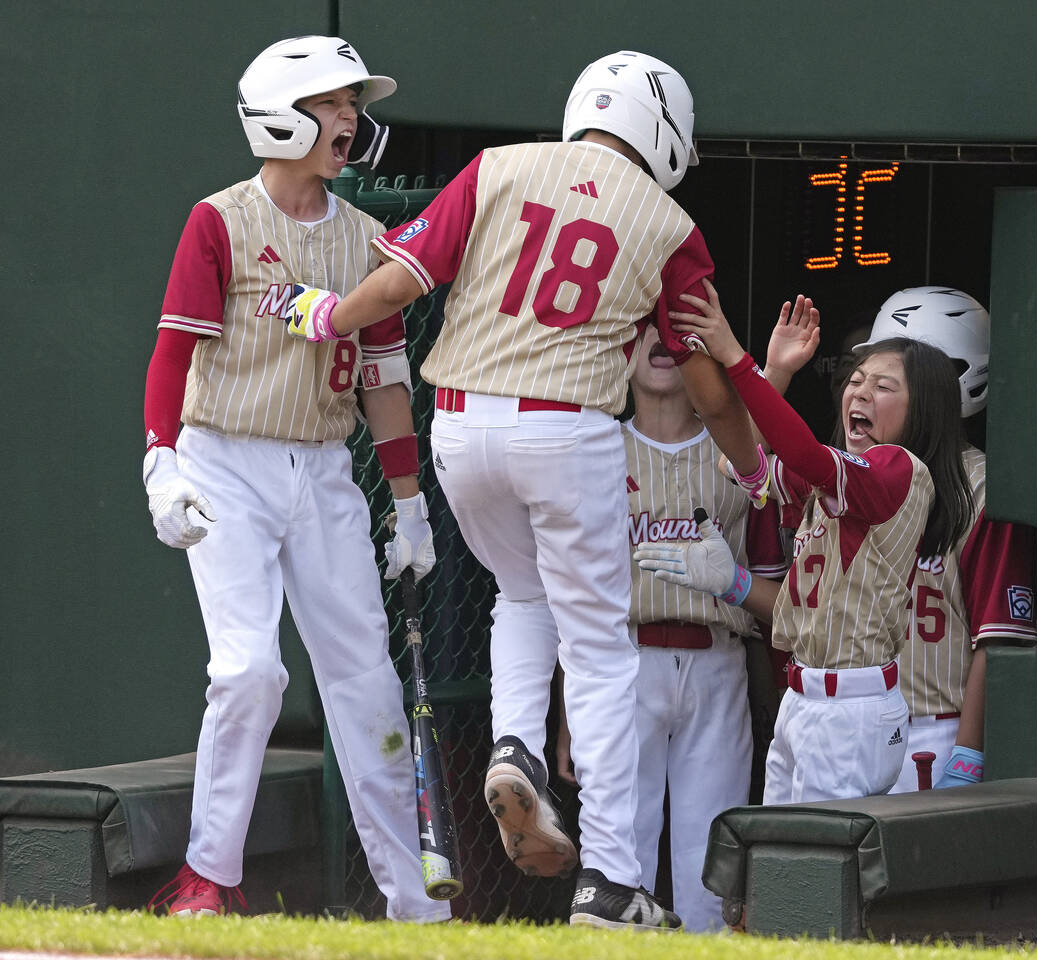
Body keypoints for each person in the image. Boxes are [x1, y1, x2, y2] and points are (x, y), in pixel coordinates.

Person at [277, 50, 767, 930]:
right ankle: (612, 878)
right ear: (664, 133)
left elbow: (402, 278)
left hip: (461, 425)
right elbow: (704, 378)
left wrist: (325, 314)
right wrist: (758, 468)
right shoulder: (667, 221)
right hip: (568, 423)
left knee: (519, 591)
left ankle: (514, 746)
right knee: (602, 652)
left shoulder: (497, 165)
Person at [141, 36, 448, 923]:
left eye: (353, 104)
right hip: (222, 460)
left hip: (321, 471)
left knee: (367, 682)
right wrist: (160, 462)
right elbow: (174, 351)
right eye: (329, 103)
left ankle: (415, 904)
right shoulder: (220, 218)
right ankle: (207, 877)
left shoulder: (369, 240)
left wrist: (409, 503)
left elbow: (386, 379)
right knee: (248, 673)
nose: (349, 119)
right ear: (280, 112)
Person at [644, 279, 974, 804]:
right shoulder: (839, 475)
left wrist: (738, 360)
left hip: (855, 707)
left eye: (883, 387)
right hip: (806, 697)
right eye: (855, 380)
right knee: (781, 859)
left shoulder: (900, 470)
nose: (859, 392)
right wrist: (777, 372)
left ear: (925, 408)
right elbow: (740, 464)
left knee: (820, 868)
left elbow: (802, 455)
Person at [555, 323, 789, 931]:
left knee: (711, 860)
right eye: (643, 325)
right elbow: (568, 594)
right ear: (618, 349)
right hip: (621, 663)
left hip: (716, 659)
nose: (660, 338)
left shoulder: (735, 446)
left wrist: (777, 371)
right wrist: (565, 711)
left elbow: (769, 446)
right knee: (618, 854)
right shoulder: (592, 445)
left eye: (675, 328)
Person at [851, 287, 1037, 792]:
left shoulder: (980, 486)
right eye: (864, 375)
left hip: (932, 731)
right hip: (846, 718)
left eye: (893, 378)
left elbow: (996, 639)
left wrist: (970, 751)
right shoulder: (850, 474)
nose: (866, 391)